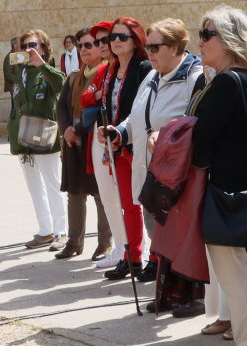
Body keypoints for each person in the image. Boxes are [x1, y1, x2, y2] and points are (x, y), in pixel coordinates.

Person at [192, 7, 247, 346]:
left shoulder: (227, 82)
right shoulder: (242, 78)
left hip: (227, 194)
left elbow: (201, 139)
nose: (200, 41)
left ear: (228, 40)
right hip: (240, 193)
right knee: (243, 281)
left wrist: (169, 138)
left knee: (237, 283)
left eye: (207, 34)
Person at [125, 19, 205, 311]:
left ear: (175, 47)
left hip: (177, 176)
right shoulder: (151, 75)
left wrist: (167, 137)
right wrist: (119, 132)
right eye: (147, 46)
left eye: (155, 47)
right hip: (150, 173)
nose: (148, 52)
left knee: (182, 236)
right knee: (158, 236)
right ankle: (170, 293)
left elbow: (195, 124)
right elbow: (136, 116)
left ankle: (194, 296)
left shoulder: (195, 77)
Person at [93, 17, 153, 280]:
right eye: (112, 37)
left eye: (122, 37)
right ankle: (133, 258)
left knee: (149, 204)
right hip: (117, 146)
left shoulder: (144, 67)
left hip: (139, 145)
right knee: (128, 205)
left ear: (136, 39)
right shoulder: (111, 69)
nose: (115, 41)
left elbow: (145, 108)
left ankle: (157, 259)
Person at [7, 29, 66, 250]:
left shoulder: (48, 71)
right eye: (24, 46)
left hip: (45, 136)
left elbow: (61, 85)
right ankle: (45, 231)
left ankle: (61, 232)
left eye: (32, 45)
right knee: (34, 188)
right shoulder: (20, 73)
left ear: (43, 48)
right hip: (23, 137)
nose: (28, 49)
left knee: (53, 185)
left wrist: (42, 65)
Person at [55, 28, 110, 261]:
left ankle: (105, 244)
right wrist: (66, 128)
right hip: (73, 143)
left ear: (100, 46)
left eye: (89, 45)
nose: (83, 50)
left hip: (94, 142)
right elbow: (61, 106)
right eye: (80, 46)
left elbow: (97, 111)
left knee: (101, 194)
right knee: (74, 194)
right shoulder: (74, 76)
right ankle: (74, 242)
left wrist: (75, 130)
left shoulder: (107, 75)